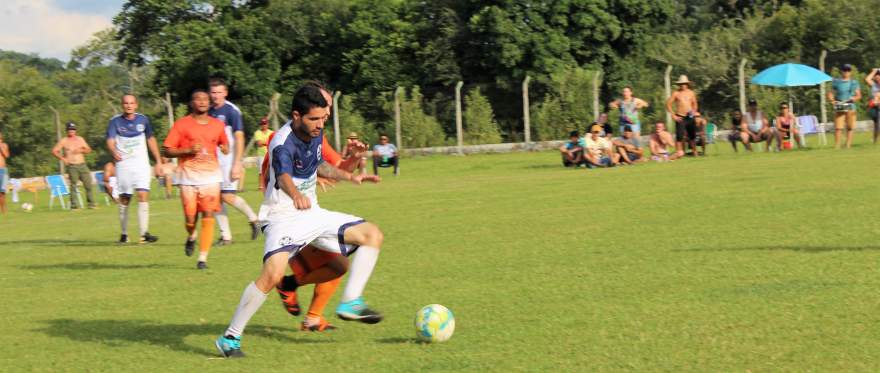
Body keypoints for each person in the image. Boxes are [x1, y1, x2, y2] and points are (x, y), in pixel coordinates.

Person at [215, 84, 384, 358]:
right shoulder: (282, 142)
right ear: (296, 116)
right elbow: (282, 176)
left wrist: (351, 175)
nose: (319, 125)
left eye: (323, 119)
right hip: (282, 217)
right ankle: (230, 339)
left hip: (312, 213)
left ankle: (351, 302)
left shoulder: (313, 132)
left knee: (372, 235)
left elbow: (320, 165)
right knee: (272, 275)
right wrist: (295, 194)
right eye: (314, 119)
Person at [163, 89, 229, 270]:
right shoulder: (181, 124)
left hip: (211, 177)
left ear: (209, 103)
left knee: (208, 213)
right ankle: (191, 235)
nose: (202, 102)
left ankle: (202, 258)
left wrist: (225, 147)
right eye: (197, 99)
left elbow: (224, 142)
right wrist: (187, 150)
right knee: (190, 218)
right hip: (188, 178)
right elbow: (166, 149)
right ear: (191, 103)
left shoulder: (217, 125)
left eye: (205, 99)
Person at [208, 78, 260, 245]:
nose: (216, 96)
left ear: (225, 93)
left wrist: (237, 163)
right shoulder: (208, 111)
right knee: (215, 198)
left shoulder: (231, 111)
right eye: (213, 92)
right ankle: (226, 236)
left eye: (219, 92)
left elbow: (239, 137)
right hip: (212, 162)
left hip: (228, 161)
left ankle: (254, 219)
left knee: (227, 196)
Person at [106, 94, 163, 244]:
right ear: (122, 105)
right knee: (125, 199)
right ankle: (124, 234)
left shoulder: (143, 120)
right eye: (126, 103)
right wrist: (113, 152)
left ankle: (144, 234)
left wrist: (158, 161)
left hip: (142, 164)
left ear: (136, 105)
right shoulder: (115, 122)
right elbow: (110, 141)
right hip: (124, 165)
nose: (129, 106)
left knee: (143, 195)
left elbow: (151, 139)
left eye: (131, 103)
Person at [51, 122, 96, 209]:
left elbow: (88, 149)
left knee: (88, 184)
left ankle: (91, 204)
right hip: (72, 166)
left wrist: (81, 150)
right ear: (67, 130)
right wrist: (63, 159)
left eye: (73, 129)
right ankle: (74, 206)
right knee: (73, 186)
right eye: (69, 129)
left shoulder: (80, 139)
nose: (71, 131)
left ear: (75, 130)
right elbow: (54, 151)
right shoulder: (64, 140)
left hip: (82, 165)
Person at [828, 64, 861, 149]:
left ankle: (848, 145)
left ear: (850, 72)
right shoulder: (836, 82)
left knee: (850, 127)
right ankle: (837, 145)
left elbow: (858, 95)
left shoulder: (854, 82)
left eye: (848, 70)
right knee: (838, 127)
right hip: (839, 105)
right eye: (845, 70)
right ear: (841, 71)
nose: (846, 72)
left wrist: (854, 98)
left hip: (850, 105)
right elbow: (830, 93)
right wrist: (832, 100)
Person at [665, 75, 699, 157]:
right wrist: (673, 115)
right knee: (679, 136)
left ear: (687, 84)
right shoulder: (676, 93)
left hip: (690, 117)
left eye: (684, 83)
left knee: (692, 135)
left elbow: (695, 104)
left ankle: (695, 152)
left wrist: (694, 111)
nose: (682, 85)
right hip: (680, 117)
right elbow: (668, 104)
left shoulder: (691, 93)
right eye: (681, 84)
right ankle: (679, 153)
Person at [0, 130, 9, 215]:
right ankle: (3, 210)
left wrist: (1, 148)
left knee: (3, 192)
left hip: (3, 170)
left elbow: (6, 155)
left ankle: (4, 210)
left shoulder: (4, 145)